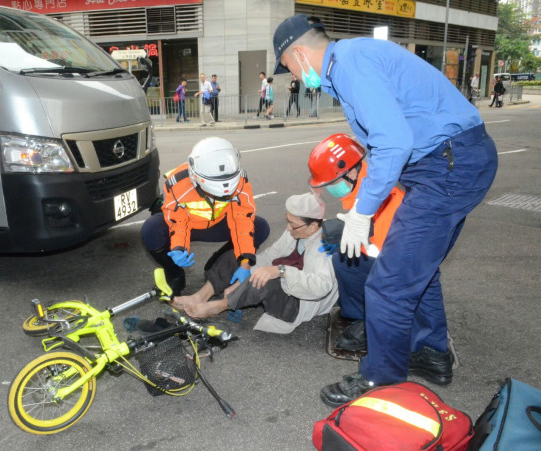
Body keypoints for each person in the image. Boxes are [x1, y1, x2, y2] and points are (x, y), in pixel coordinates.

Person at [272, 14, 498, 407]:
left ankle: (381, 378)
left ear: (299, 54)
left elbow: (393, 142)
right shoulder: (351, 64)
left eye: (287, 65)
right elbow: (381, 147)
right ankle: (431, 353)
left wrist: (362, 212)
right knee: (416, 270)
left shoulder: (351, 64)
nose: (290, 73)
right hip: (451, 163)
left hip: (447, 166)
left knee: (388, 284)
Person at [175, 192, 338, 334]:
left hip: (297, 303)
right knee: (237, 257)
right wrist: (244, 276)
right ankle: (200, 296)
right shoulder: (297, 231)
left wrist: (281, 271)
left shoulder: (326, 245)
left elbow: (322, 286)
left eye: (293, 224)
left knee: (268, 279)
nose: (288, 228)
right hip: (283, 280)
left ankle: (220, 306)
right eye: (287, 220)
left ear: (313, 226)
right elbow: (271, 255)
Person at [308, 134, 404, 352]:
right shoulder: (365, 191)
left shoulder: (381, 199)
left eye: (333, 182)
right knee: (342, 258)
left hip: (398, 274)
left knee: (345, 260)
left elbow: (383, 257)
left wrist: (345, 239)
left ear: (351, 171)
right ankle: (362, 314)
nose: (331, 189)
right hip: (392, 266)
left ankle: (372, 326)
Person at [141, 137, 270, 296]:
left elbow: (242, 221)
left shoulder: (240, 181)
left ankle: (218, 264)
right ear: (196, 180)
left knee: (260, 227)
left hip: (219, 224)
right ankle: (175, 273)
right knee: (151, 229)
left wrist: (245, 261)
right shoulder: (178, 184)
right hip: (190, 225)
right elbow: (178, 221)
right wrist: (178, 248)